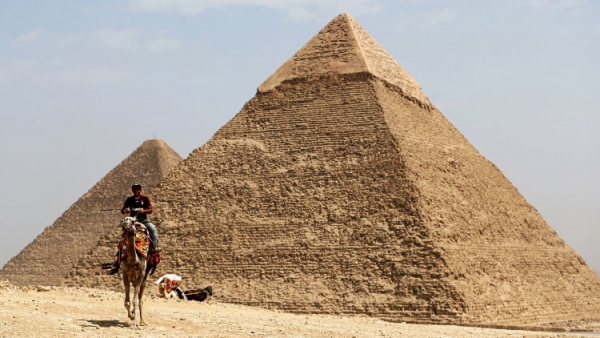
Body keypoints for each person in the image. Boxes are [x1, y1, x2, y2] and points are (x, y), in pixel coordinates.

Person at [121, 183, 161, 253]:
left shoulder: (145, 199)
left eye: (138, 189)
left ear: (140, 190)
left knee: (153, 229)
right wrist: (126, 210)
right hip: (132, 221)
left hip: (143, 220)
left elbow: (150, 210)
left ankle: (154, 246)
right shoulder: (129, 199)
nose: (136, 191)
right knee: (124, 234)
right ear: (132, 190)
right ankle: (123, 248)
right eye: (134, 189)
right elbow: (122, 211)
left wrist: (143, 211)